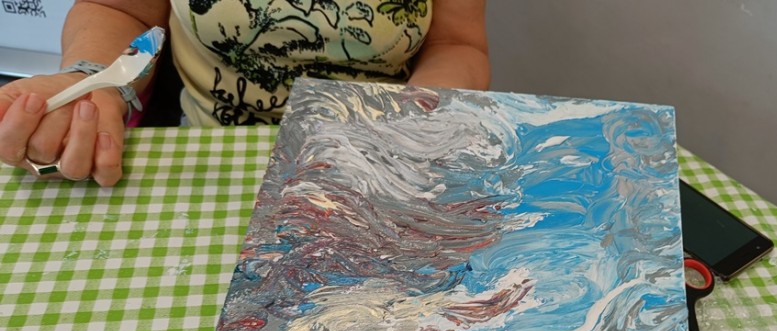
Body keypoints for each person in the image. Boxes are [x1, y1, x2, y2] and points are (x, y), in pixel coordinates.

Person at [0, 0, 489, 187]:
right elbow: (122, 8)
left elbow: (454, 44)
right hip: (209, 160)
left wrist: (418, 120)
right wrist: (94, 79)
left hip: (378, 154)